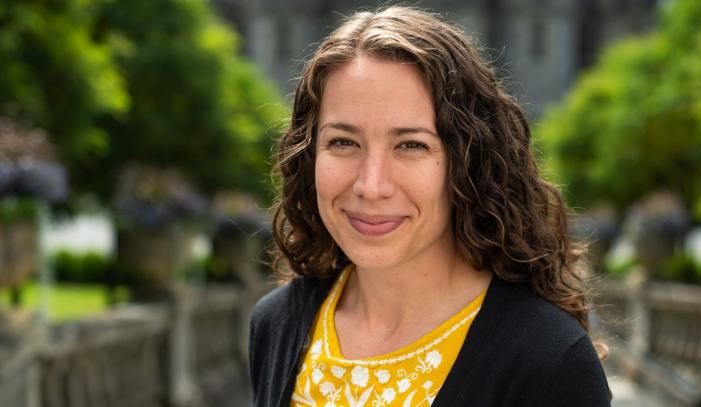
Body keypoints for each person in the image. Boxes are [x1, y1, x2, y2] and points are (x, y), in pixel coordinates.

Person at [249, 6, 611, 407]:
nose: (371, 186)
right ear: (309, 155)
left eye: (411, 145)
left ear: (468, 161)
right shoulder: (276, 323)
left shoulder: (548, 361)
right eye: (343, 142)